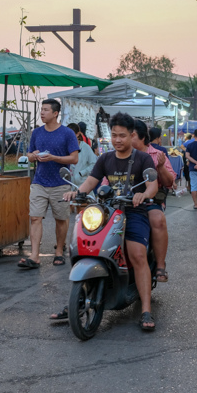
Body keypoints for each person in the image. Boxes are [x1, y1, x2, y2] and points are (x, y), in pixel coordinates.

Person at [63, 112, 158, 331]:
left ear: (132, 135)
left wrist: (143, 194)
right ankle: (76, 301)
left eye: (122, 135)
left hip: (134, 212)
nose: (117, 140)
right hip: (108, 212)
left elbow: (152, 184)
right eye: (114, 135)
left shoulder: (142, 158)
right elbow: (90, 181)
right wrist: (75, 192)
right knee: (85, 246)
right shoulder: (105, 158)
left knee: (137, 255)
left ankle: (145, 310)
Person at [21, 99, 80, 269]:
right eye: (41, 109)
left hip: (61, 183)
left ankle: (59, 251)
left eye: (46, 110)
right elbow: (29, 155)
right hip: (39, 182)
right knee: (35, 217)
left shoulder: (67, 133)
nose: (42, 113)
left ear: (55, 113)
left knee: (61, 219)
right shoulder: (37, 133)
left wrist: (54, 158)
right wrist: (33, 156)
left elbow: (74, 158)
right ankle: (34, 255)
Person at [133, 119, 175, 283]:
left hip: (150, 202)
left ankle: (160, 265)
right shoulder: (119, 154)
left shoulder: (157, 154)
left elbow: (169, 182)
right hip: (122, 202)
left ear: (142, 137)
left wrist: (161, 167)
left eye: (130, 135)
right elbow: (104, 180)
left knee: (157, 219)